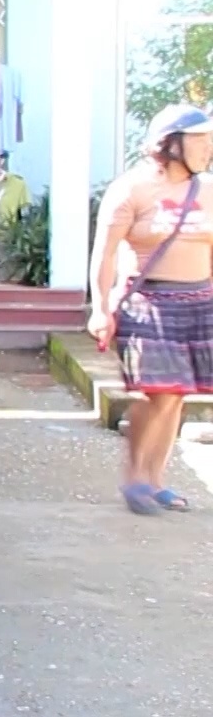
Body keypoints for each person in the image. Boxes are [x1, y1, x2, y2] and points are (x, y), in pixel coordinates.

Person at [86, 103, 213, 515]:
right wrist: (101, 309)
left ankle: (157, 480)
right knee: (158, 393)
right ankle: (135, 477)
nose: (208, 148)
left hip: (198, 300)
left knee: (177, 398)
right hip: (148, 302)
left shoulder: (208, 190)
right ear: (171, 144)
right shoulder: (132, 189)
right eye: (200, 140)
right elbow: (104, 254)